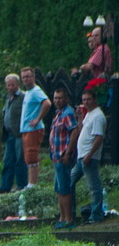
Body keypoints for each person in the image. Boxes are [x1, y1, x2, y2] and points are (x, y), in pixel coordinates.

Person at [70, 88, 107, 224]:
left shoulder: (98, 116)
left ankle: (96, 215)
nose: (86, 102)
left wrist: (90, 155)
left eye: (88, 99)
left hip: (89, 157)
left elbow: (98, 137)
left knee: (94, 187)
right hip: (81, 156)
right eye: (84, 100)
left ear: (94, 100)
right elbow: (81, 131)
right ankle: (71, 211)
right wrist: (80, 117)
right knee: (69, 182)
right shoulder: (89, 114)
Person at [49, 87, 79, 228]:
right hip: (56, 157)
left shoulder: (68, 113)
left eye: (60, 98)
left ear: (66, 98)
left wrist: (68, 153)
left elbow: (74, 132)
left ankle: (69, 218)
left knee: (65, 188)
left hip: (63, 156)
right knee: (59, 188)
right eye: (55, 98)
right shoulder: (57, 114)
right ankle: (61, 217)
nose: (57, 100)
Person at [0, 74, 26, 194]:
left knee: (20, 160)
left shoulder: (23, 97)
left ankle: (21, 185)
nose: (10, 87)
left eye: (13, 85)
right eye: (8, 85)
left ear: (18, 84)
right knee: (8, 160)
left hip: (19, 133)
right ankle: (5, 185)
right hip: (9, 134)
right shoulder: (8, 98)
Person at [19, 67, 51, 188]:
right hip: (26, 129)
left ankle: (33, 184)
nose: (26, 79)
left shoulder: (36, 91)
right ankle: (30, 182)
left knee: (32, 156)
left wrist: (38, 118)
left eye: (28, 76)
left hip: (33, 129)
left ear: (33, 77)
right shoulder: (28, 92)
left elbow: (47, 103)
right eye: (24, 77)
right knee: (27, 156)